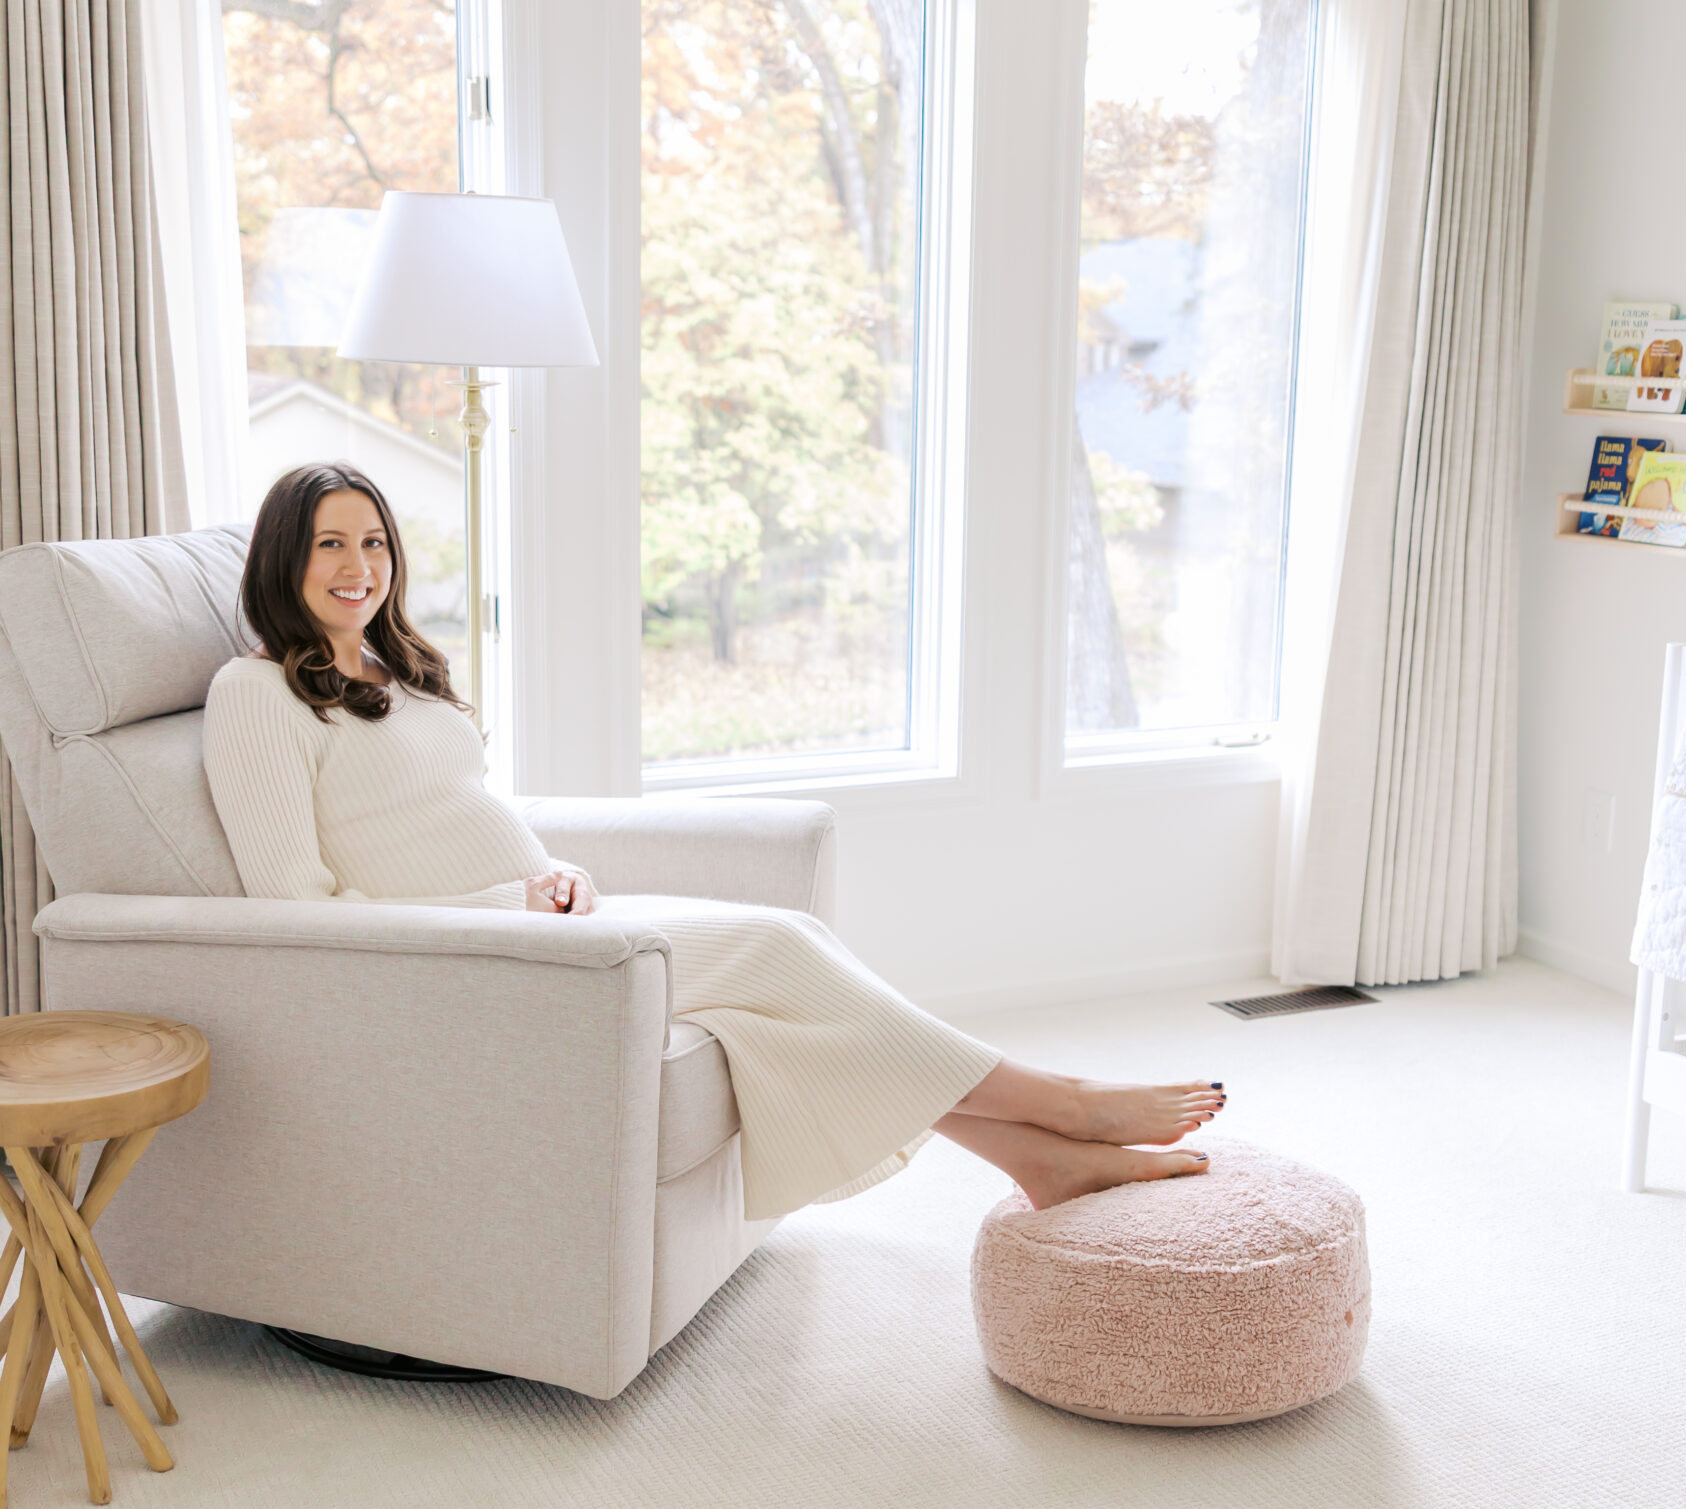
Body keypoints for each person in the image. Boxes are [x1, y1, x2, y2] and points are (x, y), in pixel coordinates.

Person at [203, 464, 1225, 1221]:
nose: (359, 567)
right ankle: (1064, 1104)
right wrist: (503, 906)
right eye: (329, 544)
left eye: (374, 542)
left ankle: (1036, 1161)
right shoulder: (256, 693)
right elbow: (296, 909)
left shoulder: (395, 668)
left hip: (543, 927)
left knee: (772, 993)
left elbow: (443, 814)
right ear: (283, 557)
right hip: (468, 963)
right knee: (778, 947)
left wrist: (548, 869)